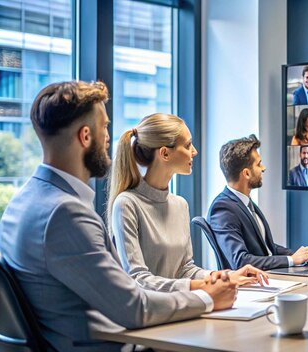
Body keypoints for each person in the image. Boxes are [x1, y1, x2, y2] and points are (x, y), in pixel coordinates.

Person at [0, 81, 236, 351]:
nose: (109, 138)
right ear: (85, 136)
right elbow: (133, 307)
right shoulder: (66, 214)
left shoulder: (22, 202)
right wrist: (208, 298)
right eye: (105, 127)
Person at [108, 113, 268, 293]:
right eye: (187, 145)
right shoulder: (127, 204)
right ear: (165, 153)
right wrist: (203, 285)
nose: (194, 151)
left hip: (183, 306)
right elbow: (138, 279)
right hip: (150, 314)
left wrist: (227, 276)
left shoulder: (180, 205)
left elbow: (186, 269)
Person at [209, 135, 308, 270]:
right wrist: (291, 260)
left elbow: (268, 248)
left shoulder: (245, 202)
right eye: (258, 164)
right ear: (246, 173)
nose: (263, 168)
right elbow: (240, 261)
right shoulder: (223, 209)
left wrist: (302, 256)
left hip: (268, 278)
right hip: (252, 285)